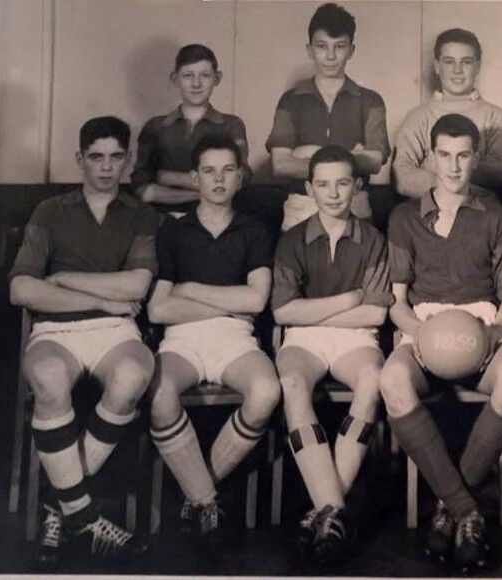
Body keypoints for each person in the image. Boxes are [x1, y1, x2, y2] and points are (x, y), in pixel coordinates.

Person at [380, 114, 502, 572]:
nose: (453, 165)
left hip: (480, 324)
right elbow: (396, 304)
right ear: (430, 157)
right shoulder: (404, 217)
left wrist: (490, 335)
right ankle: (468, 511)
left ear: (476, 158)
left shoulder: (497, 216)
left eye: (463, 155)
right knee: (392, 381)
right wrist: (423, 335)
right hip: (423, 327)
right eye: (444, 155)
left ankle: (448, 508)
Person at [9, 116, 156, 562]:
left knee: (133, 375)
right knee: (49, 377)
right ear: (80, 159)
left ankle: (60, 506)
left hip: (115, 330)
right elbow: (22, 289)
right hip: (56, 329)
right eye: (96, 157)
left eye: (116, 157)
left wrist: (63, 279)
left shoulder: (140, 214)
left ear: (128, 160)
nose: (106, 167)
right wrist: (103, 299)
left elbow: (136, 286)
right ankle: (83, 514)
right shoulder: (49, 211)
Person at [147, 134, 281, 543]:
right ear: (195, 178)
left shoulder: (255, 230)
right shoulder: (173, 231)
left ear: (240, 177)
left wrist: (189, 290)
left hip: (236, 339)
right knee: (158, 393)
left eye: (227, 170)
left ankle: (197, 493)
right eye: (209, 171)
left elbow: (256, 301)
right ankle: (206, 499)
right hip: (181, 339)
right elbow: (158, 310)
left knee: (266, 392)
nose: (219, 179)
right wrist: (225, 304)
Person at [272, 145, 392, 564]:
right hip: (303, 339)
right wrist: (350, 297)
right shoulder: (292, 240)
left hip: (356, 337)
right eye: (323, 184)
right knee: (291, 383)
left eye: (342, 183)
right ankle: (335, 510)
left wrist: (315, 310)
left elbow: (376, 313)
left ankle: (323, 511)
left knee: (373, 379)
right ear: (309, 188)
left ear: (357, 185)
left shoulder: (374, 239)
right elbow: (283, 312)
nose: (333, 193)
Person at [267, 2, 389, 230]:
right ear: (309, 49)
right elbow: (281, 165)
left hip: (354, 205)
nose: (330, 56)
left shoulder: (371, 101)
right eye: (322, 46)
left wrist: (306, 153)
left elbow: (373, 162)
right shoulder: (290, 100)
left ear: (351, 50)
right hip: (302, 206)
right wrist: (352, 156)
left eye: (339, 46)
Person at [392, 28, 502, 199]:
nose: (457, 70)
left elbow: (500, 174)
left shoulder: (496, 117)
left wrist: (433, 163)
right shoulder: (418, 117)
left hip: (480, 210)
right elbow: (402, 177)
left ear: (478, 67)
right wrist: (458, 177)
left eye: (466, 62)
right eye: (449, 62)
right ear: (437, 66)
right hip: (428, 210)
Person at [132, 44, 251, 214]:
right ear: (175, 79)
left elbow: (239, 180)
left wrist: (169, 177)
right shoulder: (155, 126)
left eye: (205, 75)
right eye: (188, 75)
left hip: (216, 218)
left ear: (217, 78)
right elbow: (144, 190)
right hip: (163, 218)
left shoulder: (231, 125)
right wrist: (209, 192)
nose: (196, 84)